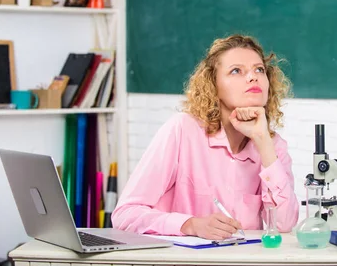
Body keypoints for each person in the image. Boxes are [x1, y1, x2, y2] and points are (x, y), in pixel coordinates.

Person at [112, 34, 299, 240]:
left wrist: (262, 141)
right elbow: (125, 214)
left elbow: (284, 224)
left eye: (259, 69)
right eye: (236, 71)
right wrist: (189, 224)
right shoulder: (182, 130)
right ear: (213, 85)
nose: (253, 77)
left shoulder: (273, 146)